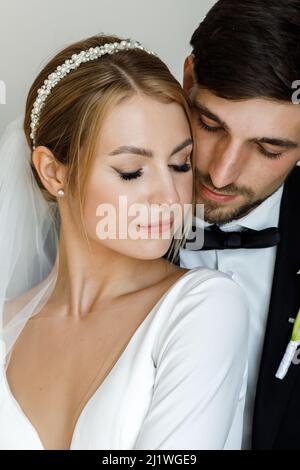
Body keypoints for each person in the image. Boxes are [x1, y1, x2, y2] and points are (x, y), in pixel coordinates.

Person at [0, 34, 248, 450]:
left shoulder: (203, 307)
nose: (171, 198)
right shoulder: (6, 327)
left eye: (180, 164)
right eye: (132, 171)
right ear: (53, 172)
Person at [180, 0, 300, 449]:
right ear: (188, 78)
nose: (221, 173)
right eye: (210, 125)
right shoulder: (101, 211)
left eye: (269, 149)